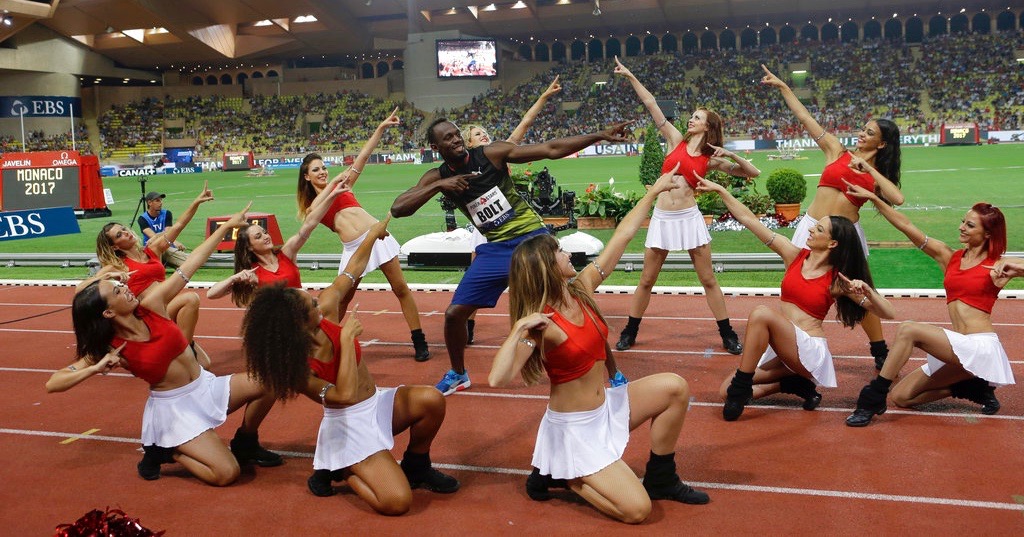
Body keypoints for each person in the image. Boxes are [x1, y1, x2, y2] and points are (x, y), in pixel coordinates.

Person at [488, 166, 708, 524]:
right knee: (637, 511)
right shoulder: (542, 323)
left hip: (605, 409)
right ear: (546, 265)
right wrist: (518, 332)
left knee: (674, 388)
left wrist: (652, 194)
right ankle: (567, 476)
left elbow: (621, 236)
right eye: (559, 251)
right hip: (575, 431)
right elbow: (499, 379)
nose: (567, 254)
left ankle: (662, 478)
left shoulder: (581, 289)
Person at [390, 118, 632, 395]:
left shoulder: (491, 154)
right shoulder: (437, 176)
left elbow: (551, 148)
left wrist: (600, 133)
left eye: (457, 135)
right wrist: (440, 185)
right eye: (448, 138)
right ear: (435, 146)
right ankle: (458, 373)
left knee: (571, 302)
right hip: (495, 249)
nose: (456, 139)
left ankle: (613, 373)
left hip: (531, 241)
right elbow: (398, 208)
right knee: (454, 314)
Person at [47, 203, 284, 485]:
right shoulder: (111, 346)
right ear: (108, 312)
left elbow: (193, 260)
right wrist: (93, 368)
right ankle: (167, 449)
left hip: (205, 386)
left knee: (274, 379)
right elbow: (54, 383)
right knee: (226, 474)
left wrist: (226, 226)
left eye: (121, 284)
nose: (125, 286)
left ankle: (246, 440)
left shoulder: (152, 305)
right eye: (117, 290)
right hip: (175, 410)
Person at [241, 217, 459, 514]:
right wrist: (345, 339)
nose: (318, 302)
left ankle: (417, 466)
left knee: (432, 400)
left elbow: (354, 266)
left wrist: (373, 234)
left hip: (376, 403)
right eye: (311, 306)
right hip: (347, 426)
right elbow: (342, 396)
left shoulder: (328, 307)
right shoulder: (298, 369)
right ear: (298, 324)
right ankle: (342, 469)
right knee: (397, 502)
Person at [695, 176, 895, 422]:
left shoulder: (838, 281)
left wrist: (867, 291)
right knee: (724, 390)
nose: (810, 228)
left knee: (761, 314)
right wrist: (720, 191)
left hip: (810, 351)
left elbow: (888, 313)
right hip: (783, 348)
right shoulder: (794, 255)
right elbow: (748, 219)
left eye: (819, 229)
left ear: (832, 243)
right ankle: (791, 384)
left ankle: (744, 386)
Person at [761, 64, 905, 371]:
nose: (860, 134)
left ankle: (879, 348)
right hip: (812, 228)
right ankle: (789, 347)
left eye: (869, 132)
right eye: (862, 129)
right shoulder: (836, 150)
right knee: (799, 286)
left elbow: (897, 198)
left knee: (859, 291)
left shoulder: (877, 176)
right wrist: (784, 88)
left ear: (881, 143)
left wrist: (869, 171)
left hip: (847, 234)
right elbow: (805, 119)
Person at [612, 57, 760, 356]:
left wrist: (731, 155)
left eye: (696, 117)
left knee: (707, 279)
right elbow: (651, 104)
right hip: (663, 217)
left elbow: (751, 173)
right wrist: (630, 75)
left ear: (708, 126)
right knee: (646, 280)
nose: (690, 120)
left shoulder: (711, 158)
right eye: (691, 116)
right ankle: (630, 330)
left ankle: (727, 333)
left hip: (689, 217)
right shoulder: (675, 139)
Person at [844, 187, 1018, 426]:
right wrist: (875, 198)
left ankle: (872, 397)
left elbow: (1013, 266)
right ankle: (971, 387)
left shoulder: (997, 266)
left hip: (980, 348)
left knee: (909, 329)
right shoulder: (950, 257)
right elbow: (907, 226)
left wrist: (1017, 269)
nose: (961, 228)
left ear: (988, 234)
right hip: (957, 350)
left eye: (970, 225)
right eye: (962, 222)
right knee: (901, 397)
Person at [297, 109, 432, 362]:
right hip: (354, 250)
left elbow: (363, 156)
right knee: (342, 299)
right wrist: (334, 186)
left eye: (324, 168)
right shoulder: (314, 204)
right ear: (307, 176)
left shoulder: (342, 185)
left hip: (377, 238)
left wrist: (380, 128)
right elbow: (315, 210)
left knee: (400, 288)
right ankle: (329, 342)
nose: (323, 172)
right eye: (316, 170)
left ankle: (419, 341)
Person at [462, 76, 563, 345]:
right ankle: (467, 325)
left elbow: (524, 125)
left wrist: (544, 96)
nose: (484, 135)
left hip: (515, 226)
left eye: (484, 132)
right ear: (468, 144)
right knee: (475, 282)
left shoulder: (499, 153)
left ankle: (539, 326)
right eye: (477, 134)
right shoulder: (463, 166)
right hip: (485, 229)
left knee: (530, 278)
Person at [87, 183, 216, 359]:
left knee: (206, 364)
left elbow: (178, 226)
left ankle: (181, 347)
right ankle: (182, 353)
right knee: (190, 299)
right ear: (115, 246)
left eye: (123, 229)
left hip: (168, 309)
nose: (126, 233)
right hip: (150, 316)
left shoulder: (152, 249)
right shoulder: (117, 266)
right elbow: (83, 289)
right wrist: (107, 276)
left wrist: (196, 203)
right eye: (119, 235)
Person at [208, 176, 349, 307]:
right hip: (277, 324)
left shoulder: (286, 253)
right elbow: (211, 294)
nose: (266, 236)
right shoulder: (251, 273)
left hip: (302, 314)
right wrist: (234, 278)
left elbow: (310, 223)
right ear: (249, 247)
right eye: (258, 237)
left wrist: (333, 195)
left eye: (264, 232)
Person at [137, 191, 189, 267]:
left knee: (187, 262)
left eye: (161, 200)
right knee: (186, 262)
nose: (161, 203)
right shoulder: (142, 219)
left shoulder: (167, 213)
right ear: (149, 203)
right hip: (152, 249)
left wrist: (171, 240)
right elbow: (153, 236)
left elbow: (169, 232)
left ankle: (164, 263)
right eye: (157, 200)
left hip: (166, 247)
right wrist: (173, 241)